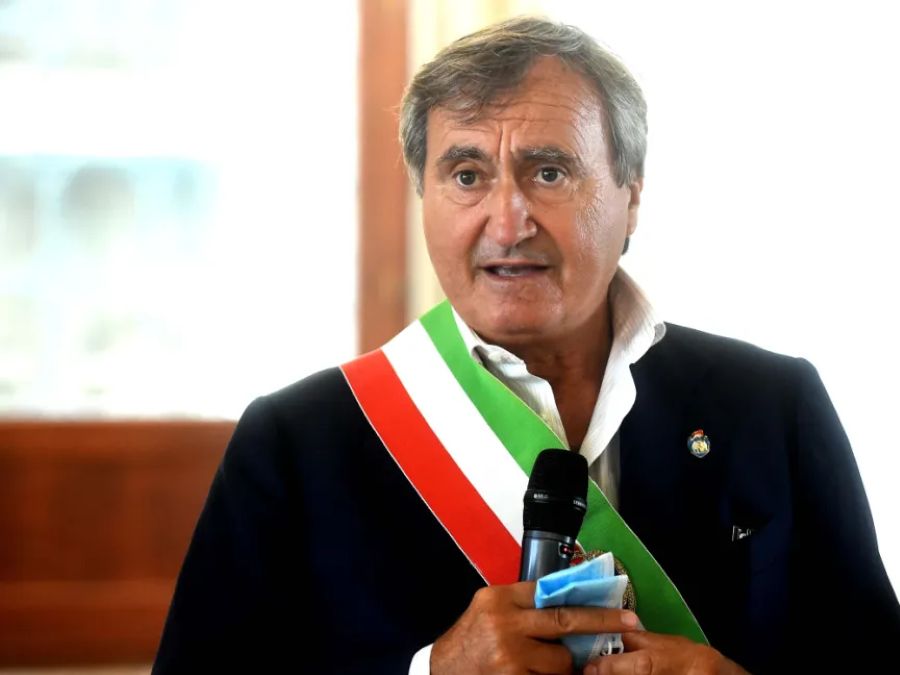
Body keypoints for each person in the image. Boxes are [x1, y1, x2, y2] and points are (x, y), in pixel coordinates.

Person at [153, 17, 900, 674]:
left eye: (548, 172)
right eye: (466, 175)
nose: (507, 223)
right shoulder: (296, 442)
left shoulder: (773, 406)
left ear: (632, 194)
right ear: (423, 196)